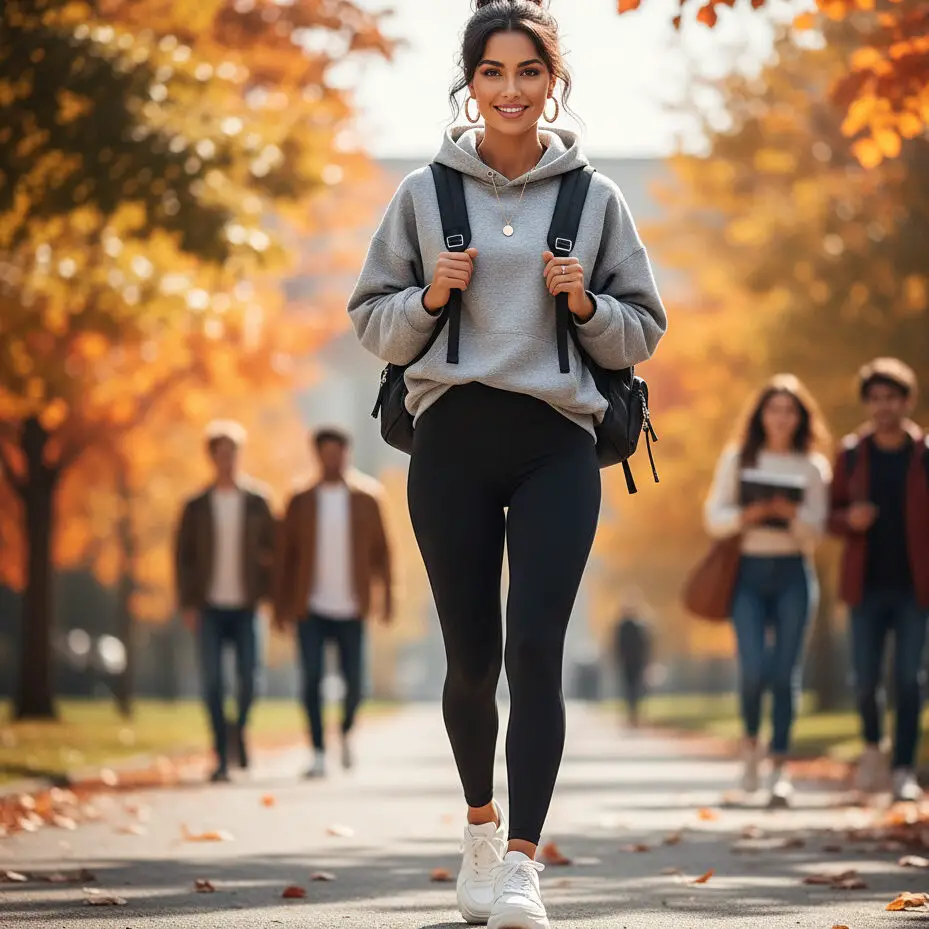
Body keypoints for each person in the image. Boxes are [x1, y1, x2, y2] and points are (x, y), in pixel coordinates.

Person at [348, 1, 667, 924]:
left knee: (534, 647)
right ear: (470, 83)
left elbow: (641, 330)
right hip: (449, 442)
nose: (511, 89)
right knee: (470, 657)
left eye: (528, 71)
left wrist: (586, 307)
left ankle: (523, 860)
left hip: (555, 444)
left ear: (551, 83)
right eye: (492, 72)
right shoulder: (423, 194)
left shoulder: (595, 200)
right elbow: (371, 319)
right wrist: (426, 297)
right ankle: (480, 830)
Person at [704, 375, 831, 807]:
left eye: (789, 411)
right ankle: (750, 756)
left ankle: (779, 769)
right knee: (754, 668)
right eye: (773, 409)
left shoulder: (812, 466)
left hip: (794, 572)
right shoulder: (738, 458)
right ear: (760, 415)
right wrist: (748, 515)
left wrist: (790, 514)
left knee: (785, 673)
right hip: (748, 574)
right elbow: (714, 517)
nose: (781, 418)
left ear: (800, 418)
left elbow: (817, 530)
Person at [828, 358, 929, 803]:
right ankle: (873, 746)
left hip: (914, 588)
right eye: (875, 399)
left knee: (909, 679)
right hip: (864, 587)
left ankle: (904, 769)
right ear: (867, 404)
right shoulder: (851, 454)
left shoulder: (924, 455)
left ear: (907, 401)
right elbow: (829, 515)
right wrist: (849, 518)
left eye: (891, 398)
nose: (883, 406)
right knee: (865, 680)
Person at [274, 428, 393, 778]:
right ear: (317, 456)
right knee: (311, 678)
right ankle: (317, 751)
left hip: (352, 607)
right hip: (310, 606)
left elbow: (383, 553)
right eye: (326, 453)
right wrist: (280, 607)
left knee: (355, 682)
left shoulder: (368, 498)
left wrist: (388, 597)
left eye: (338, 453)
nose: (332, 460)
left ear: (346, 454)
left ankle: (345, 732)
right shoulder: (300, 500)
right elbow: (285, 557)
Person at [174, 420, 276, 783]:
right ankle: (221, 756)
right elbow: (183, 558)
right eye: (221, 454)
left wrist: (269, 594)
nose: (227, 460)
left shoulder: (258, 502)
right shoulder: (196, 506)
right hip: (209, 607)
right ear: (212, 458)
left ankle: (237, 730)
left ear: (239, 456)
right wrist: (188, 604)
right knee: (213, 682)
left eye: (232, 453)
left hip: (247, 606)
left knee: (251, 680)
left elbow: (275, 552)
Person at [612, 593, 652, 729]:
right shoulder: (638, 626)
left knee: (630, 688)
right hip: (635, 662)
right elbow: (645, 645)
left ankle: (632, 715)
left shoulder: (623, 626)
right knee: (634, 688)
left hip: (629, 662)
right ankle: (633, 715)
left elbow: (618, 645)